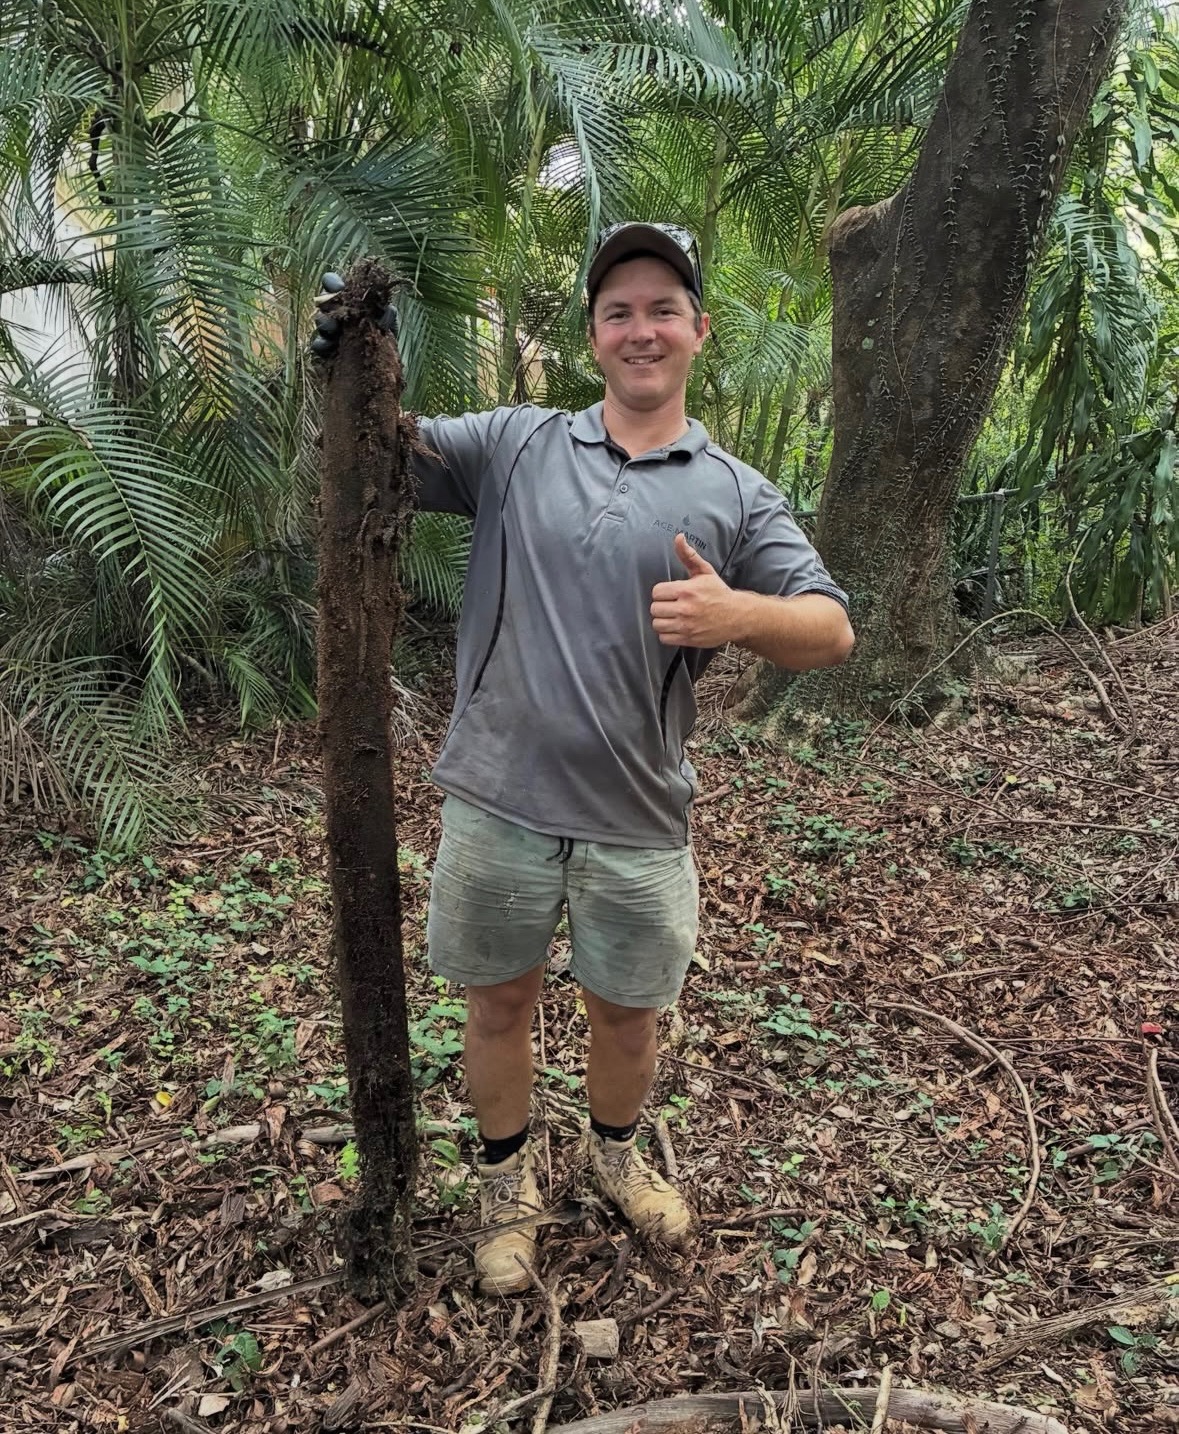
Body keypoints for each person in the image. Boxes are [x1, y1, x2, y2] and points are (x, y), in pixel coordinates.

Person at [313, 222, 854, 1295]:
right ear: (594, 335)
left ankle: (613, 1157)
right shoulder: (516, 446)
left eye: (662, 309)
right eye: (619, 310)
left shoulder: (738, 493)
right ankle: (507, 1185)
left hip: (639, 813)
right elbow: (381, 450)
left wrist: (736, 612)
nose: (640, 328)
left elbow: (831, 630)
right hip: (499, 797)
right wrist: (346, 352)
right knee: (499, 1004)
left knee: (626, 1012)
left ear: (698, 331)